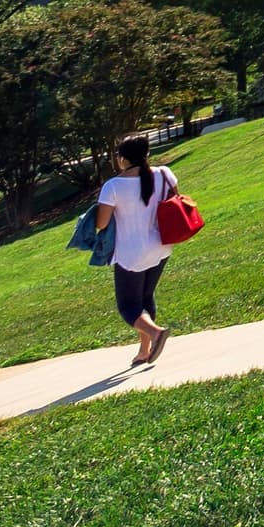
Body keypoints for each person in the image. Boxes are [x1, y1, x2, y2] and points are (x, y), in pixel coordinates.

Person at [94, 136, 180, 368]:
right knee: (145, 297)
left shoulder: (113, 186)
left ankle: (155, 333)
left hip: (131, 255)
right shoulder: (164, 173)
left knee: (128, 306)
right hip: (161, 248)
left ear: (122, 159)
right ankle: (144, 350)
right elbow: (173, 200)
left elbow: (101, 224)